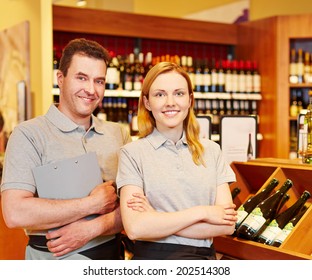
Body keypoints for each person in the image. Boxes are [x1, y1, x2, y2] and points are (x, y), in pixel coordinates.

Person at [0, 38, 131, 260]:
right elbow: (14, 213)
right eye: (81, 78)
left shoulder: (119, 134)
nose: (91, 90)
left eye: (99, 81)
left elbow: (135, 207)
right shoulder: (29, 135)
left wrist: (92, 229)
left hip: (112, 257)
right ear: (60, 78)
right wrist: (92, 204)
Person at [116, 61, 237, 260]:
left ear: (190, 100)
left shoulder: (212, 151)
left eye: (179, 93)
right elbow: (136, 228)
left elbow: (227, 225)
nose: (170, 102)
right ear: (147, 102)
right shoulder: (132, 153)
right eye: (160, 94)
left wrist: (156, 219)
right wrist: (203, 212)